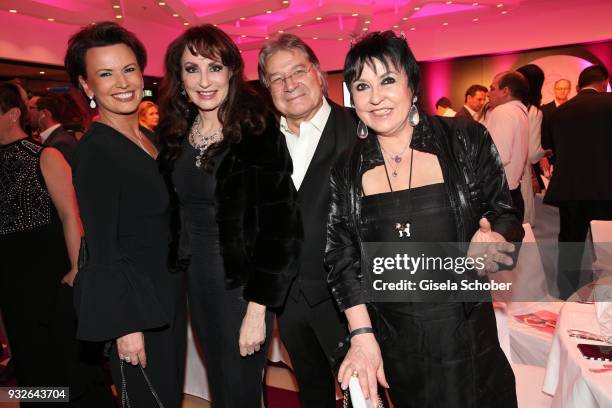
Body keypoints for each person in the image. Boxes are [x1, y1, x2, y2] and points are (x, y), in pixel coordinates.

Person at [325, 31, 523, 407]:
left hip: (466, 335)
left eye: (387, 80)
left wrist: (496, 244)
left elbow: (506, 216)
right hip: (396, 340)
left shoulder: (464, 139)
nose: (376, 97)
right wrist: (362, 334)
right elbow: (340, 258)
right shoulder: (346, 168)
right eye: (362, 85)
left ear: (412, 85)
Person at [157, 25, 302, 407]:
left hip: (241, 290)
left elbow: (281, 226)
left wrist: (259, 309)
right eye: (192, 69)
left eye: (215, 67)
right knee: (222, 388)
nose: (204, 81)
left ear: (232, 72)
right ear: (179, 75)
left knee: (239, 392)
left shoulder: (255, 129)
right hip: (197, 283)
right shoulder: (177, 131)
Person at [65, 21, 186, 407]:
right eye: (105, 73)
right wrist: (125, 325)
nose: (122, 82)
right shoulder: (97, 151)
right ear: (87, 87)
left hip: (165, 296)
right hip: (137, 308)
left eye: (128, 69)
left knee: (166, 396)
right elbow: (101, 246)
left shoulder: (145, 137)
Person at [257, 33, 357, 407]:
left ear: (318, 74)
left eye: (297, 71)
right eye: (277, 78)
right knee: (312, 393)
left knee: (364, 396)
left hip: (348, 300)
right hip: (291, 303)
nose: (289, 84)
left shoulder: (359, 131)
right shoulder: (265, 142)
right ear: (268, 89)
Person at [0, 83, 114, 407]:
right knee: (30, 364)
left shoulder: (45, 156)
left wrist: (77, 269)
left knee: (68, 365)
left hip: (51, 278)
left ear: (12, 115)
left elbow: (70, 215)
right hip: (11, 283)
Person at [543, 65, 612, 299]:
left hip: (569, 188)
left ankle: (566, 296)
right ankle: (606, 299)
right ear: (604, 83)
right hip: (606, 188)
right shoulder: (609, 104)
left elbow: (552, 150)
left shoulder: (559, 112)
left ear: (579, 85)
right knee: (607, 247)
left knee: (570, 246)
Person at [485, 71, 529, 220]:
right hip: (512, 192)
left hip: (500, 196)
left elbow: (498, 155)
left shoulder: (503, 111)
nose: (488, 94)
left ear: (505, 91)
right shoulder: (519, 111)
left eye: (492, 88)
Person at [516, 64, 547, 226]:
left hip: (493, 176)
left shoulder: (493, 108)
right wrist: (545, 152)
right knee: (522, 227)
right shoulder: (532, 111)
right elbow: (533, 154)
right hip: (521, 176)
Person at [28, 93, 78, 164]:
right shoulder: (56, 138)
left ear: (44, 113)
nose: (27, 112)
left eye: (31, 108)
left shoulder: (60, 143)